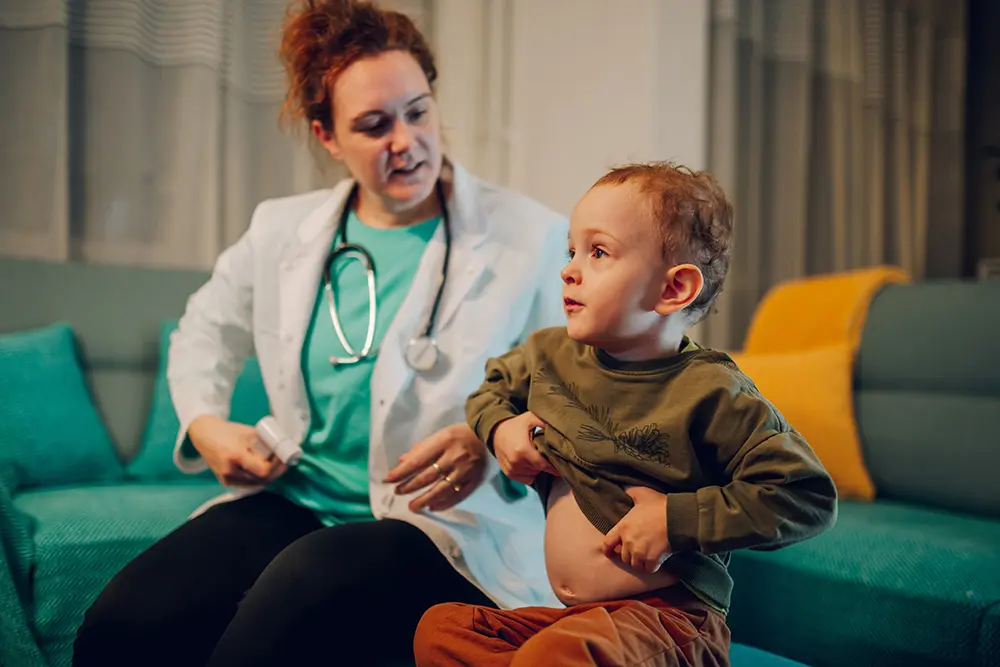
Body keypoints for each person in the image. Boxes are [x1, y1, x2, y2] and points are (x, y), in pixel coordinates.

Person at [72, 1, 568, 665]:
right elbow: (203, 331)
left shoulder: (529, 236)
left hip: (439, 522)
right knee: (122, 626)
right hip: (300, 494)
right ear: (327, 137)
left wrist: (493, 437)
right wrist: (204, 425)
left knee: (274, 626)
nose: (407, 140)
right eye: (373, 125)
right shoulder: (281, 230)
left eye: (418, 111)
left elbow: (579, 386)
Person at [413, 162, 839, 667]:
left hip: (668, 620)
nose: (569, 269)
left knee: (556, 656)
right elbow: (490, 391)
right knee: (439, 630)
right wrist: (501, 428)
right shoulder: (549, 356)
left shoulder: (711, 392)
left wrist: (672, 520)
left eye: (598, 252)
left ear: (672, 290)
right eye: (571, 250)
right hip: (575, 620)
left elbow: (805, 496)